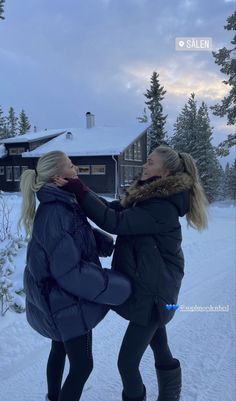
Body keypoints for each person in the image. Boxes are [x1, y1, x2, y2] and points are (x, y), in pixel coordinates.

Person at [54, 145, 208, 401]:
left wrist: (79, 190)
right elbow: (114, 210)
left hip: (155, 292)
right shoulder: (149, 199)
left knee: (127, 363)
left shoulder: (162, 207)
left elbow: (114, 223)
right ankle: (170, 397)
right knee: (160, 347)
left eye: (149, 162)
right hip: (152, 286)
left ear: (165, 171)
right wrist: (80, 188)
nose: (144, 166)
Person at [19, 150, 131, 401]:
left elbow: (72, 237)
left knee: (58, 348)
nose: (76, 168)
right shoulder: (56, 211)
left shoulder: (62, 203)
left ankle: (53, 396)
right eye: (71, 165)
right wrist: (117, 286)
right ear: (59, 176)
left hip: (55, 299)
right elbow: (69, 272)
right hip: (65, 301)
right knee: (82, 366)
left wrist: (98, 241)